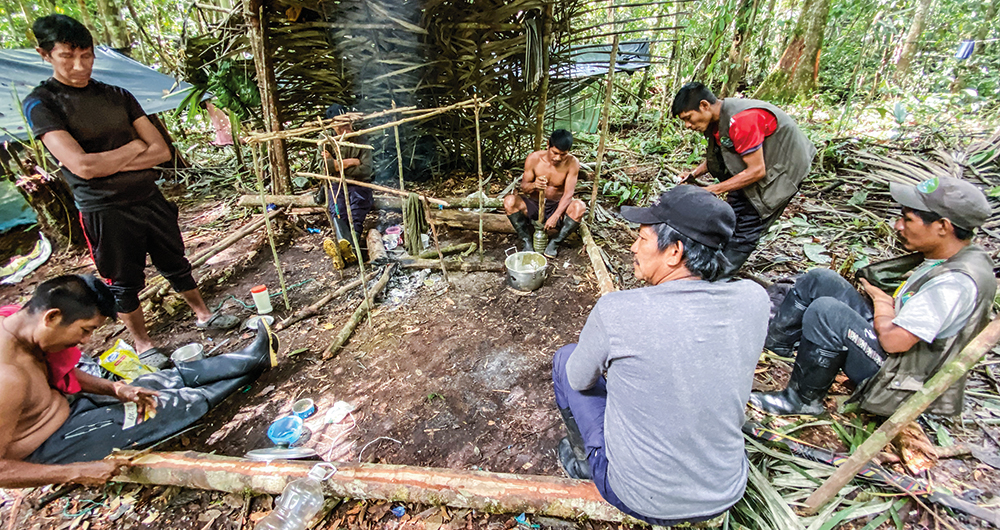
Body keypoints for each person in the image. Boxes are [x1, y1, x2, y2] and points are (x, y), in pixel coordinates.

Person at [22, 15, 238, 369]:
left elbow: (161, 151)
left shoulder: (117, 95)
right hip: (103, 209)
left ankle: (203, 314)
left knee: (175, 261)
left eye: (87, 56)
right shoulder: (42, 104)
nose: (79, 66)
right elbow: (82, 167)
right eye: (67, 57)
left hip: (148, 196)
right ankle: (143, 342)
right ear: (45, 55)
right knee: (122, 281)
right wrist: (132, 149)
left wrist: (108, 160)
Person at [551, 186, 769, 525]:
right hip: (725, 489)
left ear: (674, 253)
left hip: (640, 496)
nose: (633, 247)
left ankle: (584, 461)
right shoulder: (755, 299)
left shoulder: (618, 310)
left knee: (567, 360)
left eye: (642, 238)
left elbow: (580, 379)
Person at [0, 275, 278, 487]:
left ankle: (247, 360)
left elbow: (62, 373)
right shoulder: (6, 380)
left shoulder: (22, 327)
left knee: (151, 385)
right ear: (52, 317)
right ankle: (250, 371)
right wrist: (75, 472)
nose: (85, 341)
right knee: (163, 409)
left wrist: (116, 388)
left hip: (71, 402)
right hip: (57, 440)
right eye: (85, 331)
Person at [751, 176, 996, 416]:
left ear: (943, 226)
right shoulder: (949, 256)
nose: (898, 226)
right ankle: (776, 347)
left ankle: (800, 401)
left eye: (908, 219)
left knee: (827, 313)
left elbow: (893, 341)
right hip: (896, 350)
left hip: (901, 381)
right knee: (821, 279)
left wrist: (882, 303)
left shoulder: (954, 283)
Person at [672, 82, 816, 277]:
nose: (688, 125)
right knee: (731, 216)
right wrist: (695, 173)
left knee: (748, 223)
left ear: (704, 105)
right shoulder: (719, 120)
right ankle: (712, 262)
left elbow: (757, 171)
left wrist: (714, 189)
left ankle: (718, 278)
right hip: (750, 169)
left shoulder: (741, 120)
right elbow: (726, 151)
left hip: (780, 171)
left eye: (688, 118)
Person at [504, 129, 586, 258]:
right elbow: (524, 187)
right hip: (534, 204)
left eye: (563, 154)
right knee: (509, 201)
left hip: (556, 205)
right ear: (548, 144)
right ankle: (526, 241)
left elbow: (568, 194)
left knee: (579, 207)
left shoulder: (572, 163)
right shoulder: (534, 159)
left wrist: (556, 215)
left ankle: (555, 242)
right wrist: (534, 185)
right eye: (555, 153)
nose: (557, 158)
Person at [321, 103, 373, 265]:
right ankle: (347, 249)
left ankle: (347, 248)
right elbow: (324, 170)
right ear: (332, 126)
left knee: (357, 208)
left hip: (359, 184)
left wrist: (336, 164)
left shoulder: (361, 138)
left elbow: (366, 170)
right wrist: (352, 162)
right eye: (341, 126)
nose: (346, 129)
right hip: (336, 184)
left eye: (347, 124)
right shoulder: (326, 140)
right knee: (338, 209)